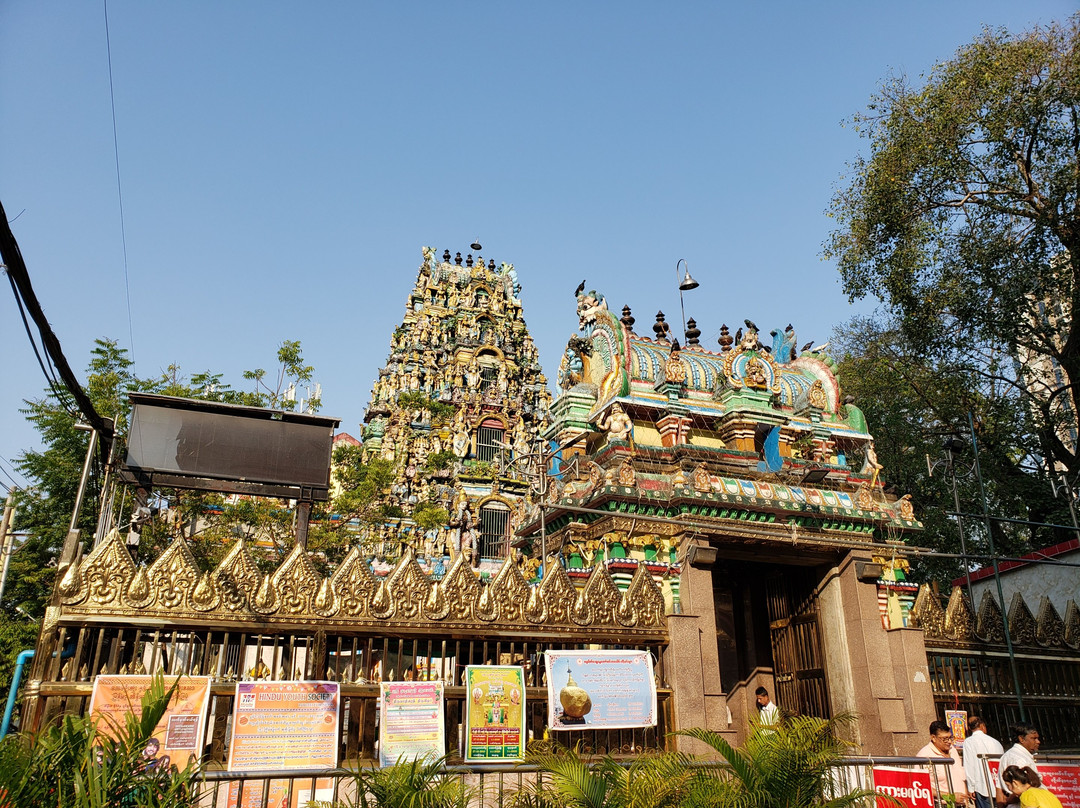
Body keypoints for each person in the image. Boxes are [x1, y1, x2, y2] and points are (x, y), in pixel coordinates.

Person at [918, 719, 970, 806]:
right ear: (933, 738)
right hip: (943, 804)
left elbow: (960, 773)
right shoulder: (924, 756)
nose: (949, 742)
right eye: (945, 739)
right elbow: (922, 786)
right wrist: (950, 796)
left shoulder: (952, 750)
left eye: (950, 738)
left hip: (961, 804)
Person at [963, 717, 1004, 808]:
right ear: (982, 726)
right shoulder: (996, 742)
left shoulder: (969, 742)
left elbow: (969, 765)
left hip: (982, 786)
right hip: (998, 785)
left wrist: (971, 787)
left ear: (969, 728)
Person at [1000, 724, 1041, 803]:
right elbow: (1022, 789)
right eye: (1034, 738)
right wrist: (1007, 802)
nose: (1038, 742)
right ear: (1021, 739)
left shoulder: (1008, 755)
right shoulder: (1019, 759)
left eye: (1037, 738)